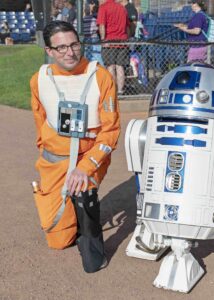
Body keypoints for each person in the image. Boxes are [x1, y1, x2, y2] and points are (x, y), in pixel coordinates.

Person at [30, 20, 120, 273]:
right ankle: (70, 213)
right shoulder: (39, 79)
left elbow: (110, 130)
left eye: (74, 45)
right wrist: (47, 152)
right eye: (61, 48)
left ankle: (92, 243)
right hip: (54, 161)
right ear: (49, 51)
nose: (69, 53)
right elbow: (39, 120)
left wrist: (86, 166)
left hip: (87, 157)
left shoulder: (101, 76)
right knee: (57, 240)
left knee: (84, 189)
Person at [97, 0, 130, 95]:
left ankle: (113, 89)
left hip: (109, 41)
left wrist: (103, 39)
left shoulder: (103, 8)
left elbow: (102, 25)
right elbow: (127, 27)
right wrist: (127, 39)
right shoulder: (122, 8)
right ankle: (120, 90)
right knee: (120, 67)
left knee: (110, 66)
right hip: (122, 41)